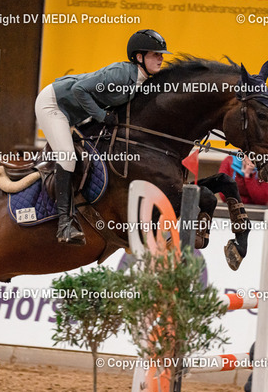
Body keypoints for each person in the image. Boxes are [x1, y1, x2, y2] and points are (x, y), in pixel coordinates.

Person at [35, 29, 171, 245]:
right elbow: (79, 89)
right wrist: (101, 116)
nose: (161, 59)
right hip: (53, 103)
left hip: (72, 111)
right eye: (156, 54)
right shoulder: (120, 73)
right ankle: (64, 224)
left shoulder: (142, 81)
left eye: (161, 55)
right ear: (139, 57)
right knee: (68, 157)